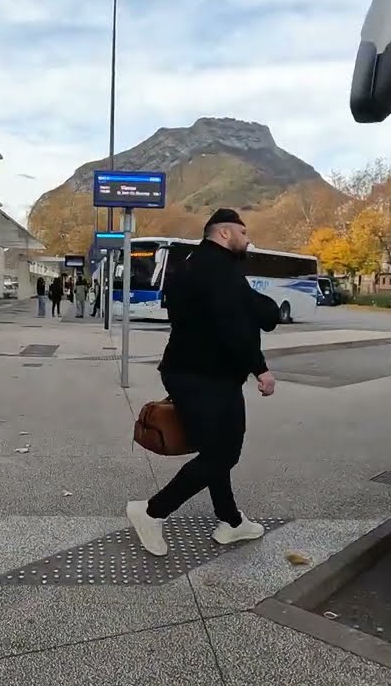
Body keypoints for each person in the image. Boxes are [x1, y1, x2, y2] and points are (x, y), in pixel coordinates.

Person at [126, 208, 277, 556]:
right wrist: (261, 369)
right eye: (243, 232)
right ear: (224, 233)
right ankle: (152, 512)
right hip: (206, 377)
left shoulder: (191, 263)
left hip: (190, 371)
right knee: (224, 453)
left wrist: (259, 308)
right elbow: (235, 328)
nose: (248, 239)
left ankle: (232, 521)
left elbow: (237, 310)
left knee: (216, 450)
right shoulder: (220, 269)